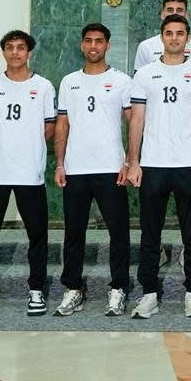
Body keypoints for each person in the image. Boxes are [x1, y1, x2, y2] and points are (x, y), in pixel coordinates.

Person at [126, 14, 191, 319]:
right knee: (150, 234)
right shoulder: (145, 74)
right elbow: (136, 119)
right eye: (169, 33)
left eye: (180, 33)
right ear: (161, 37)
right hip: (152, 164)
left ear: (187, 38)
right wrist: (133, 161)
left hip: (189, 164)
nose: (174, 38)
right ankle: (149, 294)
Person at [0, 30, 56, 318]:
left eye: (21, 47)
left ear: (29, 52)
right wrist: (4, 144)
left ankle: (36, 290)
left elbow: (49, 127)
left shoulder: (43, 86)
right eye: (10, 47)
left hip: (30, 173)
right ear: (3, 52)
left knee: (37, 235)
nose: (15, 52)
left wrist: (26, 146)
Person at [53, 23, 133, 318]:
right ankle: (73, 288)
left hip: (111, 168)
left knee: (118, 233)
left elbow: (134, 122)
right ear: (81, 45)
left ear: (108, 45)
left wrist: (129, 161)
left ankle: (118, 288)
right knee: (74, 233)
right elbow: (62, 124)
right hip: (76, 169)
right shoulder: (69, 81)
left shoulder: (121, 80)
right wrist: (60, 163)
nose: (93, 46)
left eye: (99, 41)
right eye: (88, 41)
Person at [134, 0, 191, 73]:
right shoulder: (146, 47)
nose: (174, 13)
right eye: (170, 10)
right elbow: (139, 78)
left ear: (187, 15)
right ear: (162, 14)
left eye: (179, 10)